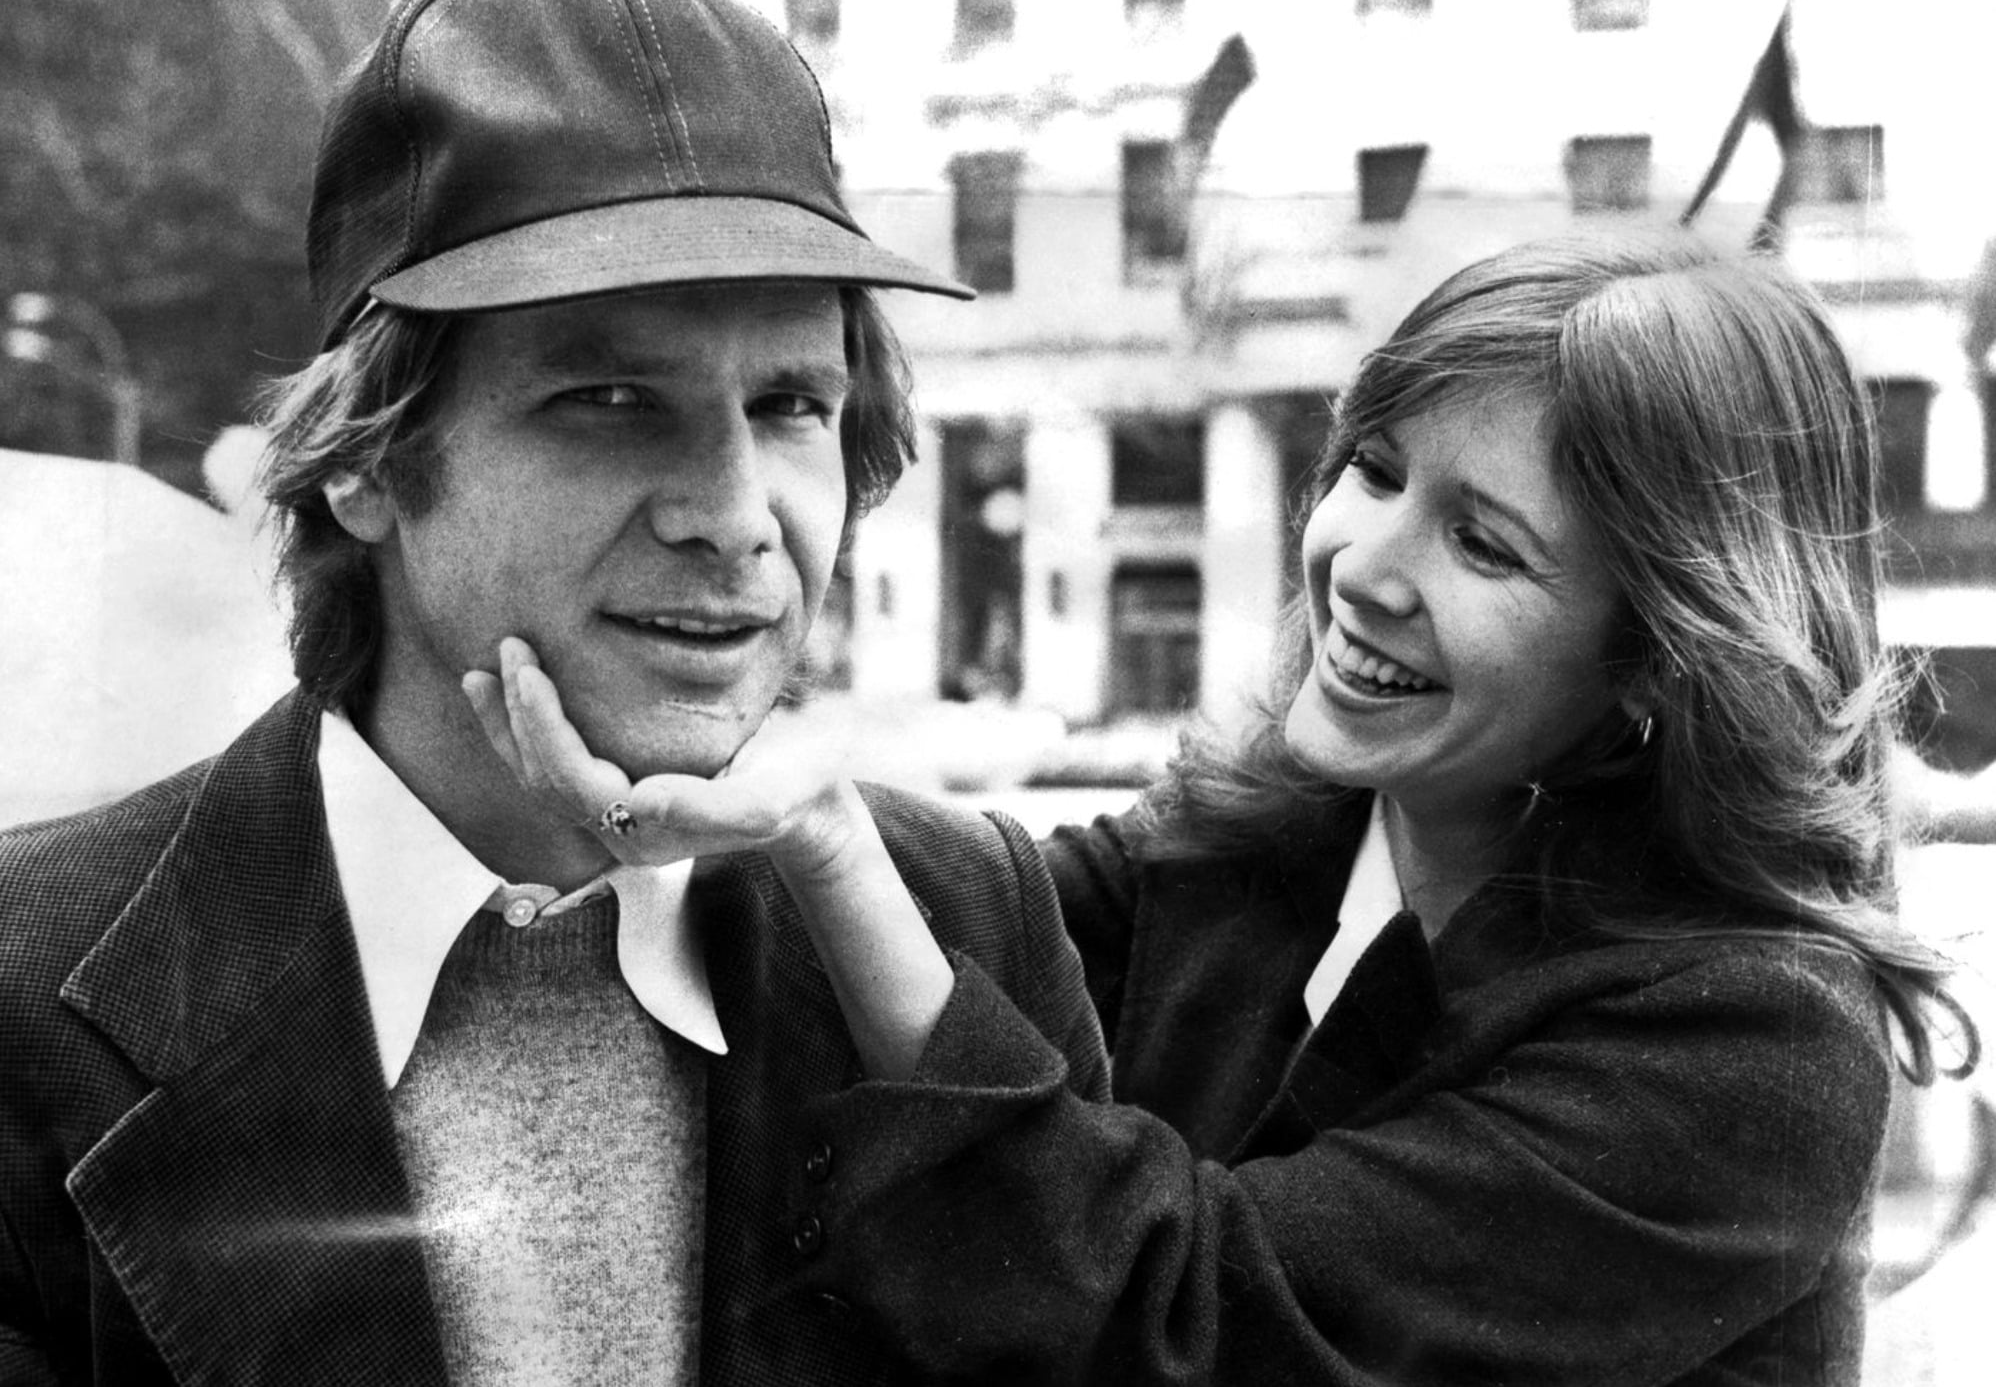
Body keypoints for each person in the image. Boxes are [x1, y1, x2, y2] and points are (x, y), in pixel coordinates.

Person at [485, 232, 1980, 1384]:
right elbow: (990, 911)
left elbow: (1189, 1322)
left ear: (1661, 647)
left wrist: (821, 839)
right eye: (1378, 470)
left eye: (1484, 542)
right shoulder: (1288, 840)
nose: (1363, 563)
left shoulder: (1751, 1046)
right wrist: (689, 761)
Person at [0, 0, 1107, 1383]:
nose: (732, 511)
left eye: (789, 404)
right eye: (609, 400)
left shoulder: (958, 925)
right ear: (368, 464)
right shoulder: (31, 1011)